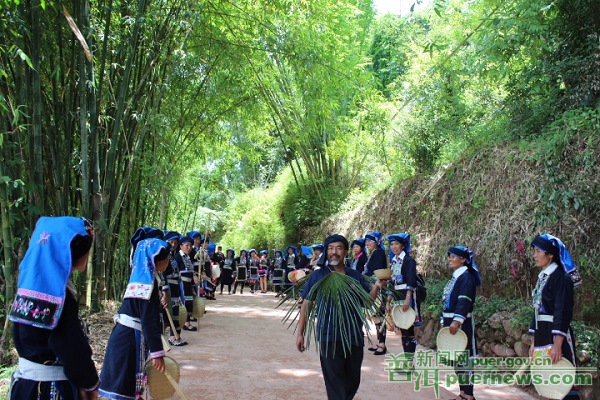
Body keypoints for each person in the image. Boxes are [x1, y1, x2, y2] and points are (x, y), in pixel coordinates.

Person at [8, 216, 99, 400]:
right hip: (50, 389)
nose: (89, 254)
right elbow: (72, 350)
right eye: (87, 249)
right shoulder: (58, 298)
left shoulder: (28, 288)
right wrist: (90, 383)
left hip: (25, 387)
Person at [296, 234, 386, 400]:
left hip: (353, 336)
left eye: (339, 248)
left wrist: (377, 287)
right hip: (328, 336)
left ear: (345, 252)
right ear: (326, 252)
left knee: (352, 382)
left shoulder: (354, 275)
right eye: (330, 248)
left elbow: (367, 302)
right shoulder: (318, 276)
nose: (334, 252)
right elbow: (306, 305)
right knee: (335, 384)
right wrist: (300, 333)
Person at [99, 238, 169, 399]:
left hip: (125, 336)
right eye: (167, 257)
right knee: (125, 386)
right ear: (156, 260)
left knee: (127, 384)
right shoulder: (147, 286)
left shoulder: (139, 279)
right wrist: (157, 353)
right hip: (128, 340)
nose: (168, 261)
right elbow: (149, 321)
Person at [529, 234, 581, 400]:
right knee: (548, 380)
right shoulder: (544, 277)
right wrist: (534, 342)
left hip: (556, 335)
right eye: (534, 251)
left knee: (563, 380)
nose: (535, 256)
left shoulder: (561, 278)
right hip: (542, 334)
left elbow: (563, 311)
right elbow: (537, 310)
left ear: (550, 254)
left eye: (538, 251)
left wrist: (558, 344)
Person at [443, 246, 481, 400]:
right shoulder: (457, 276)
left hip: (461, 324)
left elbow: (464, 301)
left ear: (463, 259)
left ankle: (469, 395)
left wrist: (456, 321)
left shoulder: (466, 277)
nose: (450, 259)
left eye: (453, 257)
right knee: (457, 358)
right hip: (452, 322)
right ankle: (463, 393)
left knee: (465, 358)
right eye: (450, 256)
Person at [386, 233, 421, 357]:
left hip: (406, 297)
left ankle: (410, 359)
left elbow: (411, 281)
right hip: (397, 298)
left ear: (403, 246)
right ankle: (407, 358)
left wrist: (407, 299)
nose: (394, 247)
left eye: (396, 244)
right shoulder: (393, 262)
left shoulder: (408, 261)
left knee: (408, 329)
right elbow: (391, 282)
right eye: (391, 244)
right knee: (402, 330)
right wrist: (388, 301)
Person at [363, 231, 388, 354]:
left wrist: (375, 286)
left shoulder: (378, 253)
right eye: (366, 241)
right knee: (375, 316)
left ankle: (382, 345)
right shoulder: (374, 253)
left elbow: (377, 273)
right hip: (373, 287)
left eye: (370, 241)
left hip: (377, 288)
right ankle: (380, 343)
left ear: (377, 242)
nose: (367, 243)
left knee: (379, 316)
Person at [175, 235, 197, 331]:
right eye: (187, 245)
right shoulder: (177, 257)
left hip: (188, 283)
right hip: (182, 283)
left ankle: (186, 321)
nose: (189, 247)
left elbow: (191, 270)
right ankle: (185, 322)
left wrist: (194, 276)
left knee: (189, 301)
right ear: (181, 246)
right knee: (185, 302)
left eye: (190, 246)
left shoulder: (188, 257)